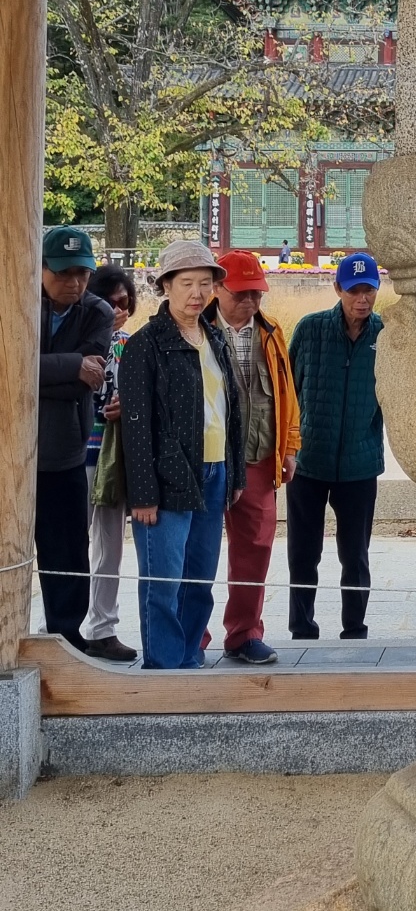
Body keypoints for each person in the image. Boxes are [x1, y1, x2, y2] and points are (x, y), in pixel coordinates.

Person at [120, 242, 245, 669]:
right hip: (167, 475)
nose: (197, 293)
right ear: (166, 287)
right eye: (187, 283)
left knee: (200, 580)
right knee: (163, 582)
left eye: (205, 284)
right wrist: (143, 493)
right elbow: (136, 424)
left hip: (215, 470)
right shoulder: (146, 344)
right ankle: (163, 669)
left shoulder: (215, 338)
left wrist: (235, 475)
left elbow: (231, 411)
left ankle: (189, 660)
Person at [202, 249, 300, 664]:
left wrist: (290, 446)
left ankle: (244, 634)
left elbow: (286, 394)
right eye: (240, 293)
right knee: (198, 547)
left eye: (256, 293)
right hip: (207, 458)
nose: (250, 301)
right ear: (218, 289)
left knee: (256, 546)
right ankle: (192, 636)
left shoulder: (271, 332)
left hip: (258, 457)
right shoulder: (196, 328)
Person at [287, 251, 384, 639]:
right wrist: (289, 447)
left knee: (356, 555)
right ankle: (301, 628)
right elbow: (289, 393)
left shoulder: (385, 336)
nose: (362, 299)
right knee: (303, 552)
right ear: (337, 289)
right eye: (354, 291)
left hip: (360, 463)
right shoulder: (310, 330)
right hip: (309, 462)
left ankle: (355, 628)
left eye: (369, 290)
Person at [38, 227, 114, 651]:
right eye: (63, 273)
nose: (74, 283)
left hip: (64, 452)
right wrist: (71, 365)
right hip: (10, 452)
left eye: (82, 274)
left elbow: (85, 382)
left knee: (67, 550)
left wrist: (39, 370)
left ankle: (66, 638)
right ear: (41, 269)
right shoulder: (14, 298)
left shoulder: (98, 312)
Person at [82, 264, 138, 661]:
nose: (118, 310)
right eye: (110, 301)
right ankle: (59, 624)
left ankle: (103, 627)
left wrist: (129, 404)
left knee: (110, 545)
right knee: (69, 543)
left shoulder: (133, 345)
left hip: (114, 456)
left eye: (125, 302)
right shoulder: (80, 338)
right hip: (76, 454)